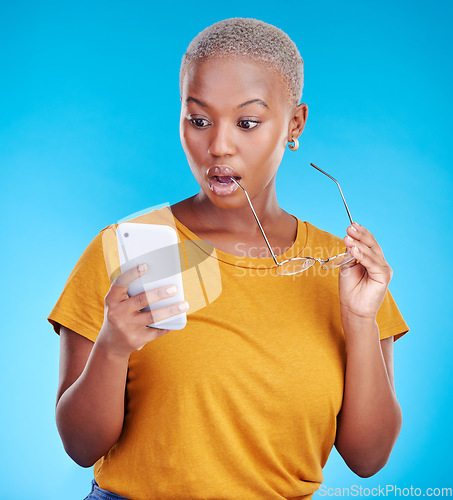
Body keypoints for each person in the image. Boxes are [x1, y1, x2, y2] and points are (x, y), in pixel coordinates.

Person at [48, 18, 409, 500]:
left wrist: (361, 321)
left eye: (247, 122)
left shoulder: (346, 270)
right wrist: (113, 347)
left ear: (294, 125)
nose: (218, 146)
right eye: (199, 120)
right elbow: (79, 445)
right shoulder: (126, 249)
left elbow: (369, 458)